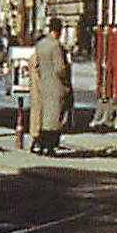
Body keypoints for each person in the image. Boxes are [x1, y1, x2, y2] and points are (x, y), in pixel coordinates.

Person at [31, 15, 74, 156]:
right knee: (55, 119)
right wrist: (66, 81)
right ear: (58, 30)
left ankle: (41, 145)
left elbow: (35, 65)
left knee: (44, 117)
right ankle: (50, 148)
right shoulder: (56, 46)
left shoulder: (41, 44)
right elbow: (60, 68)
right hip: (56, 86)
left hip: (43, 85)